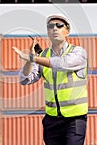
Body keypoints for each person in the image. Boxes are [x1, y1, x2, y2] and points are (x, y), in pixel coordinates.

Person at [12, 14, 88, 145]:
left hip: (75, 120)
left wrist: (33, 59)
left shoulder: (78, 52)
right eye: (50, 26)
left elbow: (62, 63)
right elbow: (24, 80)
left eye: (59, 26)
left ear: (67, 31)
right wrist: (30, 60)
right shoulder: (42, 56)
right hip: (51, 120)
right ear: (48, 32)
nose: (55, 29)